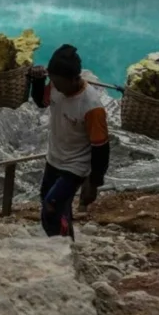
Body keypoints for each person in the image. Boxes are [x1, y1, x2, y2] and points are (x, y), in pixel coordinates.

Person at [27, 44, 110, 240]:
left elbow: (101, 147)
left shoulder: (91, 106)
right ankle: (67, 242)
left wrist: (94, 182)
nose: (55, 85)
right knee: (53, 204)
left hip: (75, 166)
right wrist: (38, 81)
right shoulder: (56, 85)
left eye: (59, 82)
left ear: (75, 79)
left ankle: (59, 247)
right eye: (52, 80)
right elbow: (41, 102)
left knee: (51, 207)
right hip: (54, 158)